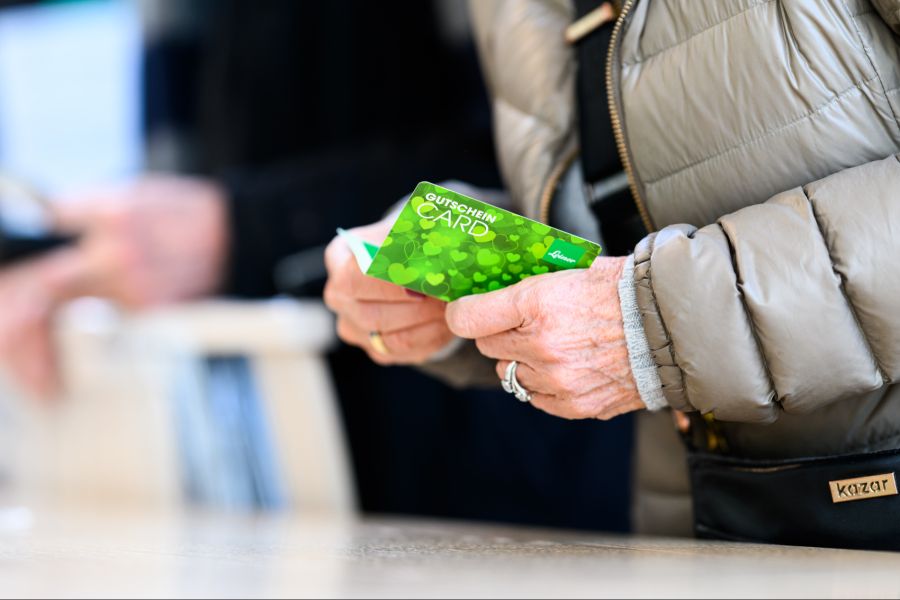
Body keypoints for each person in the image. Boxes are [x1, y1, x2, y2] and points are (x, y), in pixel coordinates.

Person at [0, 0, 634, 532]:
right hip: (271, 420)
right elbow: (176, 158)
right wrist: (105, 262)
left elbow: (564, 179)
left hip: (521, 446)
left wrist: (244, 229)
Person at [324, 0, 900, 549]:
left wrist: (657, 322)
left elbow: (640, 296)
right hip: (710, 515)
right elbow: (630, 221)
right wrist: (456, 268)